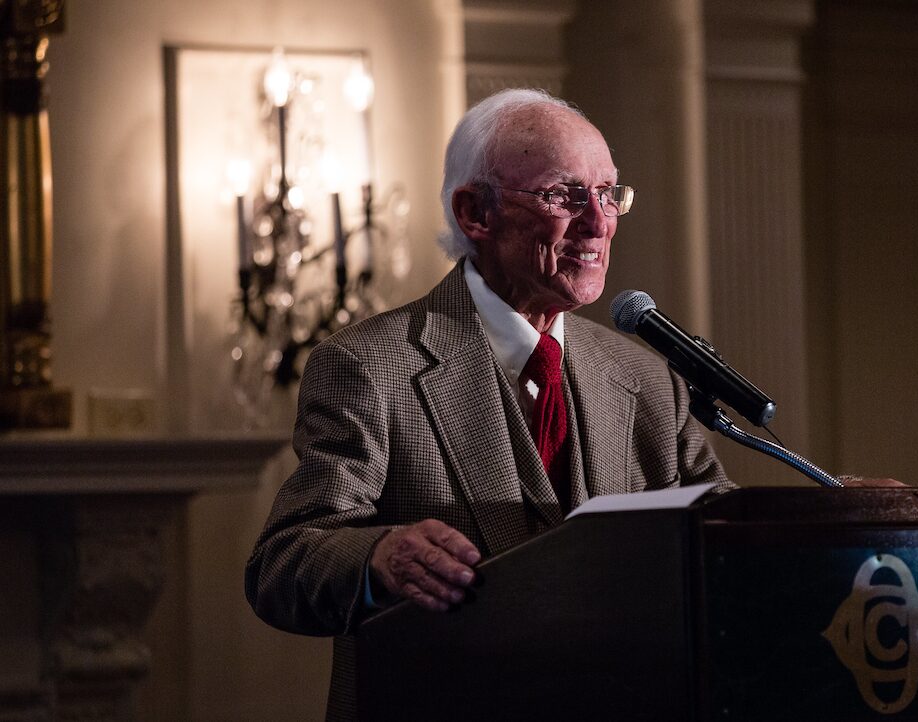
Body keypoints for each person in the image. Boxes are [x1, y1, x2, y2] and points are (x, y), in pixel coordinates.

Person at [244, 88, 729, 719]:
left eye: (609, 193)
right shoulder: (367, 366)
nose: (600, 222)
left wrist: (831, 514)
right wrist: (379, 556)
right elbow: (282, 564)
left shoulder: (646, 377)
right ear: (475, 212)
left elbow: (725, 533)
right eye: (565, 195)